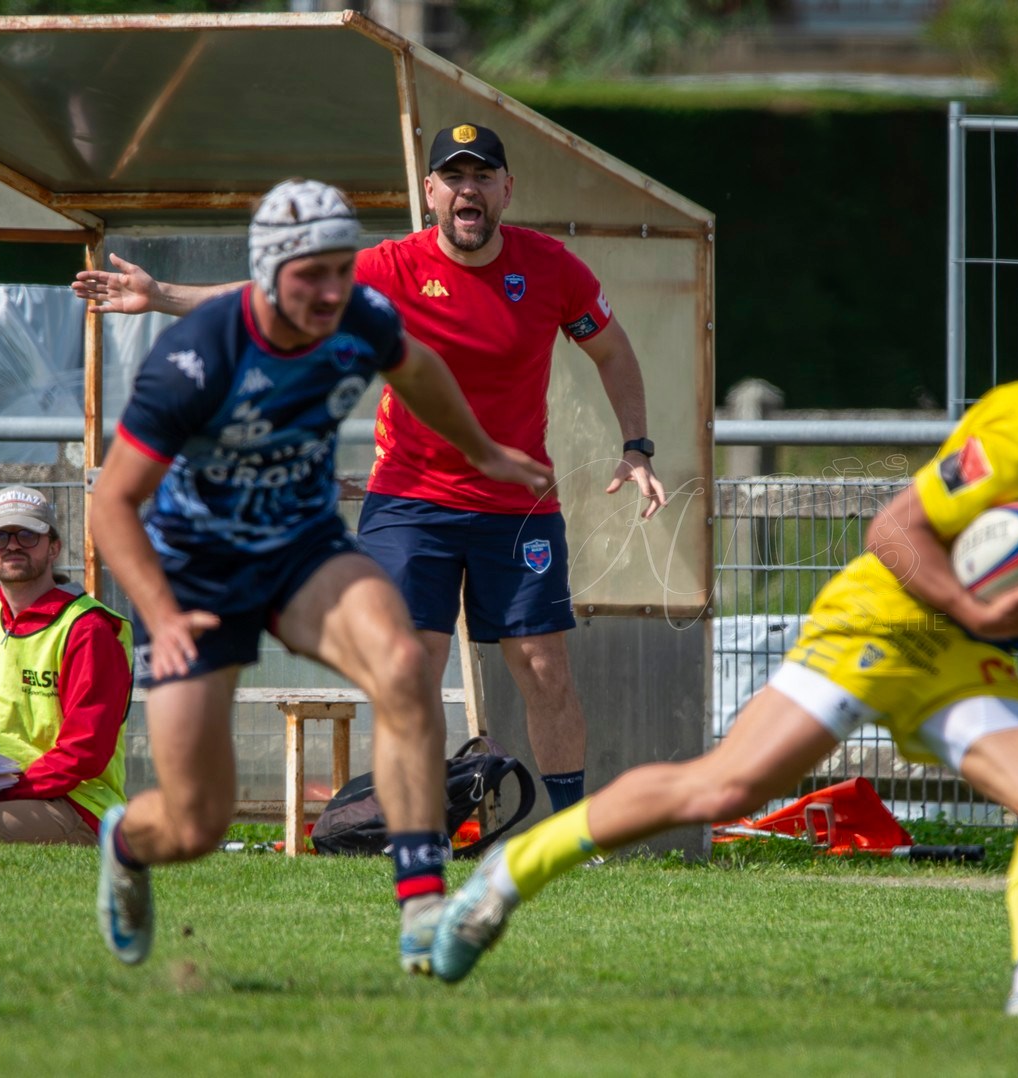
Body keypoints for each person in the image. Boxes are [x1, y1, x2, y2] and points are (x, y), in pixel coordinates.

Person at [424, 274, 1018, 1013]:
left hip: (958, 659)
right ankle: (505, 877)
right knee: (728, 785)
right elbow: (893, 530)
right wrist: (980, 599)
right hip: (881, 623)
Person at [73, 124, 666, 816]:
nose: (468, 190)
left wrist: (637, 446)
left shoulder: (551, 268)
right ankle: (425, 831)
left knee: (543, 667)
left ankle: (573, 833)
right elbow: (272, 294)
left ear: (507, 189)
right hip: (412, 501)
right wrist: (162, 295)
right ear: (430, 192)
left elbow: (613, 351)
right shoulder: (390, 266)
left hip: (515, 505)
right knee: (413, 666)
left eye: (482, 176)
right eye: (454, 177)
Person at [87, 179, 552, 974]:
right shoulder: (198, 356)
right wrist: (160, 615)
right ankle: (127, 844)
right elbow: (111, 504)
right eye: (312, 274)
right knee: (195, 824)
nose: (333, 291)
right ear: (269, 273)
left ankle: (421, 904)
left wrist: (481, 450)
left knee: (402, 665)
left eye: (344, 269)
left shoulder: (359, 316)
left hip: (304, 548)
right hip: (199, 575)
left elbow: (418, 368)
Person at [0, 486, 132, 846]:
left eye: (28, 535)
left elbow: (86, 752)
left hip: (78, 800)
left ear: (54, 548)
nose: (13, 545)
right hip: (0, 787)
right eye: (0, 537)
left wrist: (5, 791)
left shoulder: (88, 629)